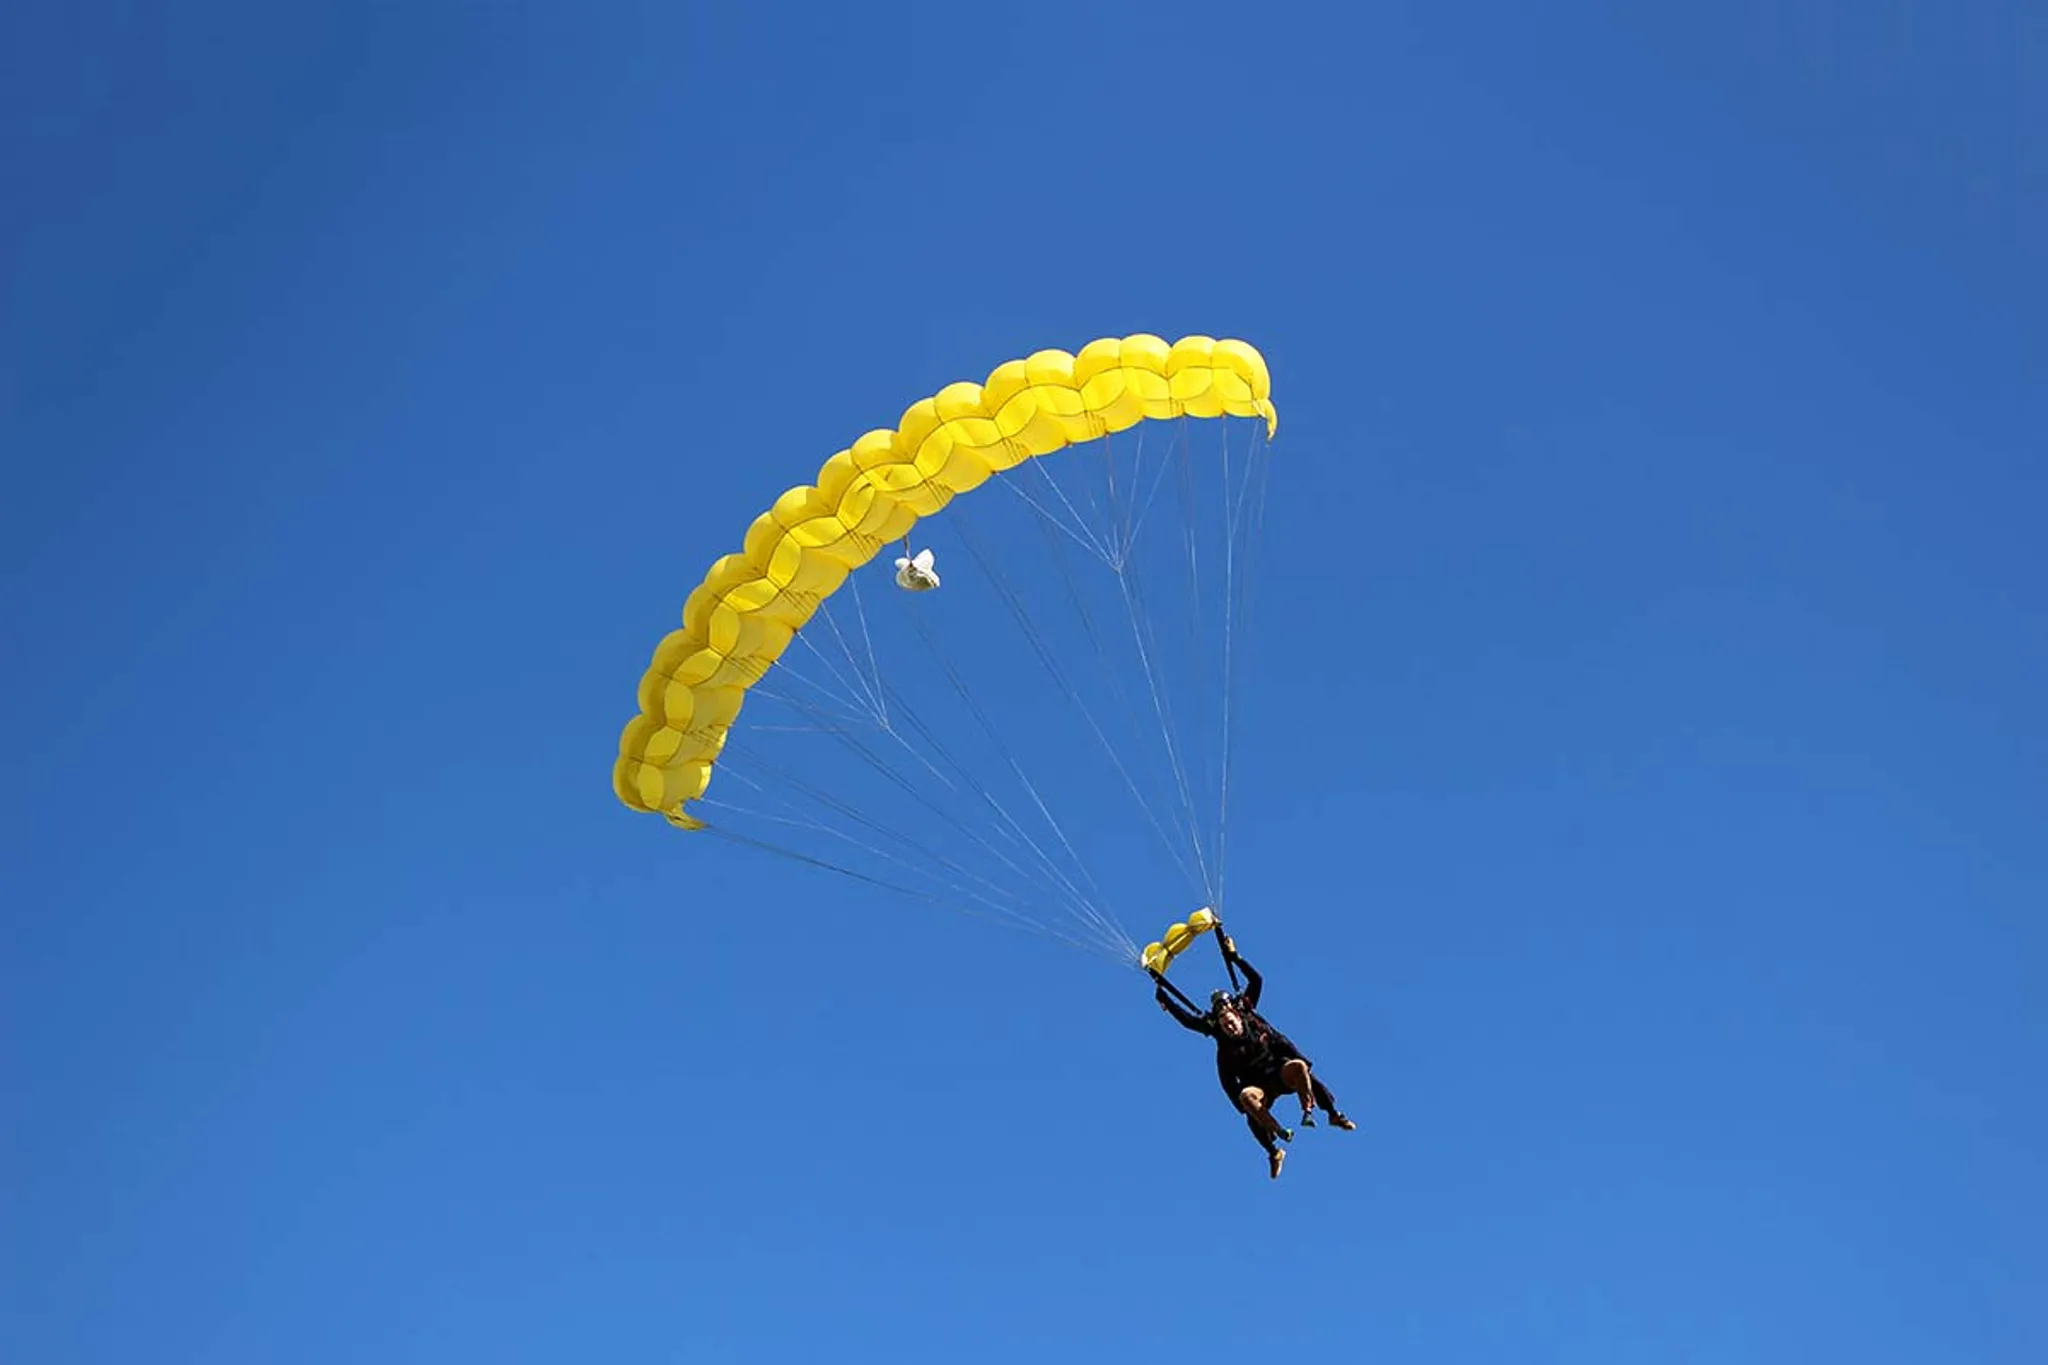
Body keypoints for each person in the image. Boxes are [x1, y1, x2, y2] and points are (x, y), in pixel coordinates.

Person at [1155, 933, 1354, 1178]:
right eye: (1224, 1024)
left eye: (1230, 1021)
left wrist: (1235, 957)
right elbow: (1188, 1021)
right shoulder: (1219, 1037)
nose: (1229, 1026)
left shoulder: (1249, 1014)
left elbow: (1257, 980)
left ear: (1236, 1015)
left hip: (1279, 1071)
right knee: (1248, 1100)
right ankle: (1277, 1144)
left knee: (1301, 1069)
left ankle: (1326, 1114)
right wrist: (1165, 998)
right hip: (1259, 1086)